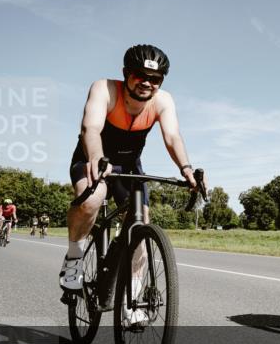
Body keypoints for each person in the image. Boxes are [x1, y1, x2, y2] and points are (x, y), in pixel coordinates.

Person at [61, 45, 198, 325]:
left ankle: (132, 301)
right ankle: (74, 257)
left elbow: (172, 136)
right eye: (140, 75)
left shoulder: (163, 101)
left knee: (140, 222)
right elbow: (91, 128)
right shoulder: (105, 89)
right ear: (126, 74)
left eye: (156, 78)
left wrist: (186, 169)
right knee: (91, 199)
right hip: (92, 156)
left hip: (129, 167)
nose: (147, 82)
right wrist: (97, 158)